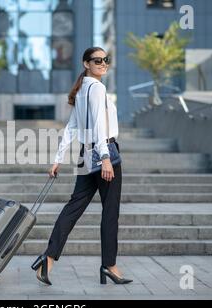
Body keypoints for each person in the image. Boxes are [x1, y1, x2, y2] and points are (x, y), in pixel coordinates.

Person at [31, 47, 133, 286]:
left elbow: (71, 127)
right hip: (103, 155)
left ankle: (48, 258)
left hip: (85, 156)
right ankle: (109, 266)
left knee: (73, 208)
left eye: (106, 59)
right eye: (97, 60)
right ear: (86, 63)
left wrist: (58, 158)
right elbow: (98, 125)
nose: (103, 63)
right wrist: (105, 158)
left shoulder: (81, 90)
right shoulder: (97, 88)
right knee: (110, 213)